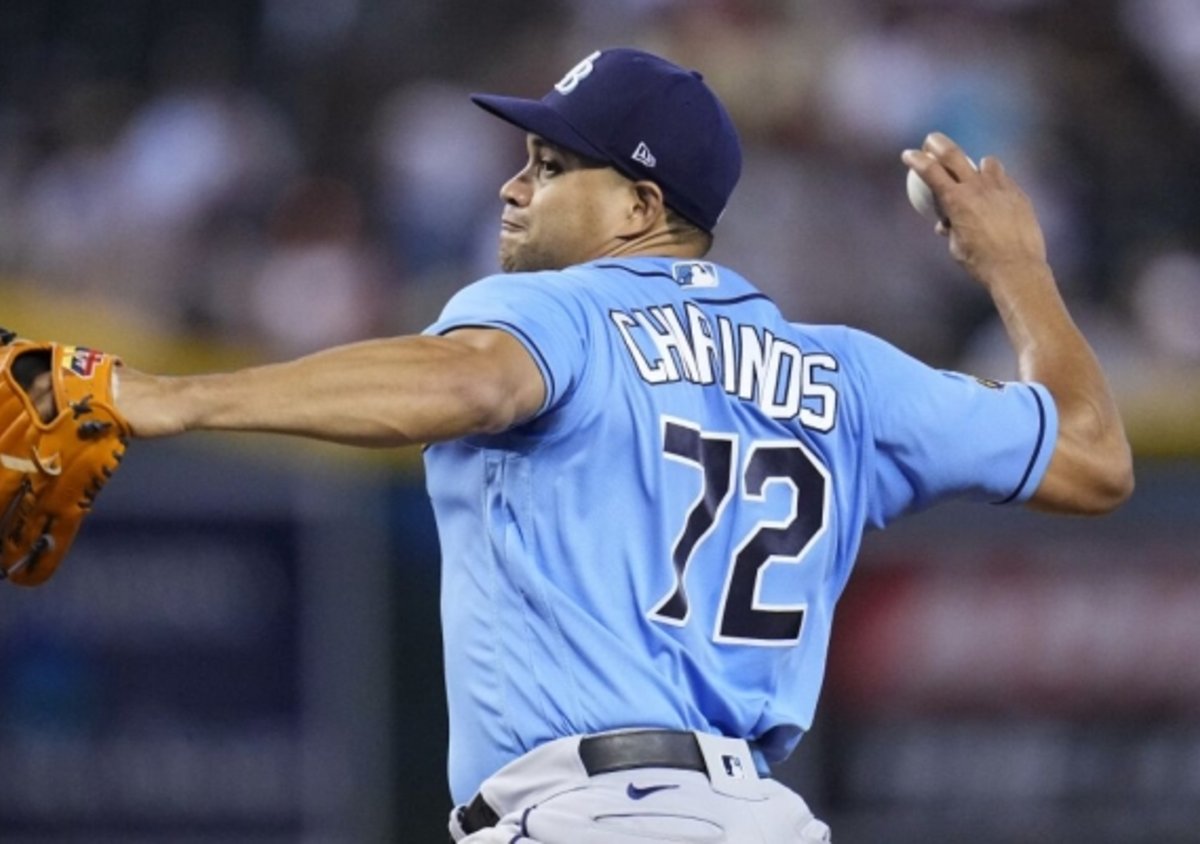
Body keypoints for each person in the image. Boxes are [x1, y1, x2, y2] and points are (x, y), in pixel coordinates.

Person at [99, 48, 1132, 841]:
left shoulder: (559, 313)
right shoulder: (850, 375)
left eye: (550, 167)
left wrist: (173, 399)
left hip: (589, 815)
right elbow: (1094, 458)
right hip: (762, 818)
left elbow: (466, 380)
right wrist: (1017, 264)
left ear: (642, 207)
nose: (513, 188)